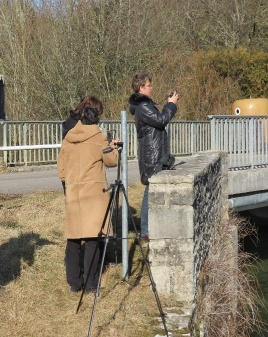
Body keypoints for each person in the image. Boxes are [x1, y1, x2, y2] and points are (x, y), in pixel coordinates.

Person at [57, 95, 119, 293]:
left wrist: (68, 185)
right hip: (94, 194)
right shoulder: (99, 137)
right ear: (96, 118)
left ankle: (75, 283)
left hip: (74, 192)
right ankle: (91, 284)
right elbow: (111, 161)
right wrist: (115, 146)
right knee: (93, 240)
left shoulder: (68, 138)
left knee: (74, 239)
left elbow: (61, 168)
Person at [128, 73, 179, 241]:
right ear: (141, 88)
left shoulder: (146, 105)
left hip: (155, 153)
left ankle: (148, 229)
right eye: (149, 85)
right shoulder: (143, 107)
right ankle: (145, 231)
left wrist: (167, 104)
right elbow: (161, 120)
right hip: (151, 155)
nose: (152, 87)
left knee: (152, 190)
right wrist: (170, 105)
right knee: (150, 191)